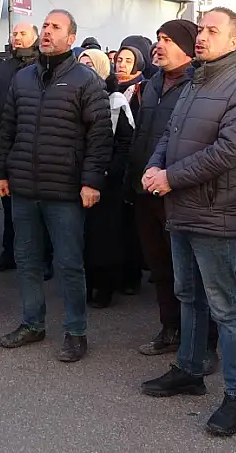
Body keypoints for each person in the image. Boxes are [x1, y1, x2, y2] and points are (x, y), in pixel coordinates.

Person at [139, 7, 236, 437]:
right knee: (187, 295)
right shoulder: (196, 80)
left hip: (214, 212)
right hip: (180, 208)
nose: (202, 37)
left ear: (235, 41)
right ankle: (189, 371)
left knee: (224, 308)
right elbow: (169, 135)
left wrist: (169, 177)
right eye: (201, 30)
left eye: (213, 31)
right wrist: (154, 166)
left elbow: (229, 152)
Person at [0, 9, 112, 363]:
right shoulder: (24, 77)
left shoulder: (86, 80)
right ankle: (33, 323)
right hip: (25, 188)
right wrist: (1, 172)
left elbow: (100, 136)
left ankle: (76, 332)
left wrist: (91, 181)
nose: (46, 32)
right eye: (44, 26)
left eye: (55, 27)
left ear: (71, 38)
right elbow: (8, 128)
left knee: (69, 263)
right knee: (26, 260)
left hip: (65, 191)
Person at [127, 19, 196, 355]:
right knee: (160, 267)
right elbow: (141, 134)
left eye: (167, 39)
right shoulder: (152, 83)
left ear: (186, 46)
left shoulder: (197, 84)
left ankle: (200, 338)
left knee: (187, 270)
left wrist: (170, 177)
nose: (159, 45)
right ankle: (169, 329)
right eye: (158, 38)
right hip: (145, 191)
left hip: (177, 191)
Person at [0, 22, 44, 274]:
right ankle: (9, 253)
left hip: (36, 150)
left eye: (23, 34)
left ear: (35, 37)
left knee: (39, 209)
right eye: (15, 34)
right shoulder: (2, 68)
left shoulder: (43, 66)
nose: (17, 38)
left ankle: (42, 259)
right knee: (10, 207)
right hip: (5, 147)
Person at [76, 49, 134, 309]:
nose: (86, 69)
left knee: (105, 235)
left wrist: (109, 170)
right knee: (82, 234)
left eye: (91, 65)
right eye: (81, 64)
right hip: (77, 175)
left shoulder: (116, 98)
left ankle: (106, 285)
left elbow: (125, 141)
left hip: (106, 177)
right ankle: (85, 283)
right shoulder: (74, 95)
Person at [111, 44, 147, 293]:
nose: (121, 64)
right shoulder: (112, 87)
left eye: (127, 60)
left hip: (134, 160)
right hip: (113, 161)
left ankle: (132, 275)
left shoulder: (142, 89)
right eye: (119, 59)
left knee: (133, 223)